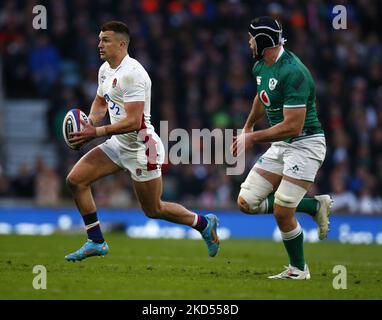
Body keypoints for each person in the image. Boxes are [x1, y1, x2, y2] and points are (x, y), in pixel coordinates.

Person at [64, 21, 219, 261]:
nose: (99, 44)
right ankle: (95, 240)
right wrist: (90, 123)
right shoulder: (105, 69)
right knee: (75, 180)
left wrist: (95, 133)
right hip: (118, 144)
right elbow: (100, 101)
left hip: (141, 147)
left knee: (153, 209)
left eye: (105, 40)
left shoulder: (133, 75)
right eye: (99, 39)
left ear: (122, 44)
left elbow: (134, 121)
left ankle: (203, 224)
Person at [231, 16, 332, 279]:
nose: (249, 42)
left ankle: (299, 269)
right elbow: (262, 97)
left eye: (252, 38)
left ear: (263, 41)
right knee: (246, 202)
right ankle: (313, 206)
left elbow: (293, 127)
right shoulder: (260, 67)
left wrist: (252, 139)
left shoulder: (294, 72)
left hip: (306, 144)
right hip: (282, 144)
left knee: (283, 211)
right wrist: (248, 126)